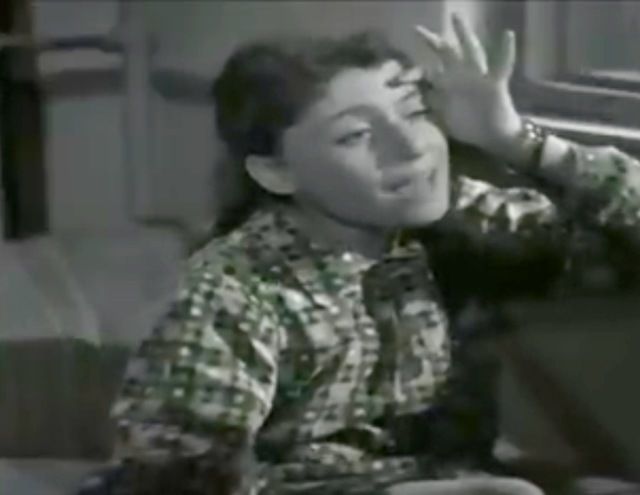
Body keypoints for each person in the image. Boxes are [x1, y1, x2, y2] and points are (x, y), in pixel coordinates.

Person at [82, 13, 640, 495]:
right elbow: (173, 483)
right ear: (276, 172)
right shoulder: (233, 291)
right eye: (354, 136)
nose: (410, 148)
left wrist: (516, 139)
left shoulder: (460, 223)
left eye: (415, 113)